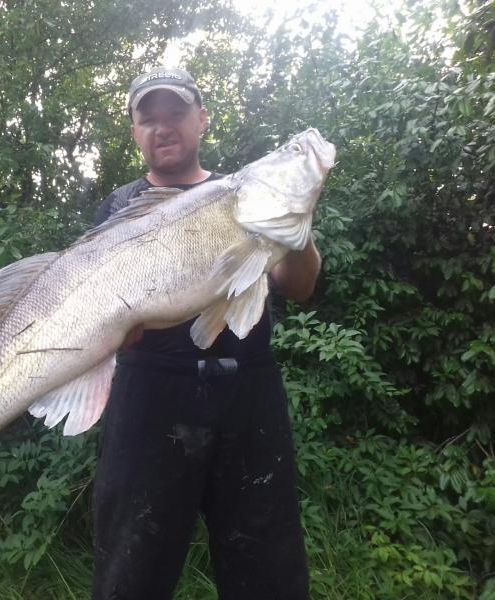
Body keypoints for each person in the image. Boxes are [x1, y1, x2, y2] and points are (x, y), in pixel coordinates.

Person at [90, 67, 321, 600]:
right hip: (149, 397)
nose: (163, 127)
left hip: (248, 395)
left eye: (175, 114)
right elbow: (98, 311)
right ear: (135, 132)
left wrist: (299, 224)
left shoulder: (249, 194)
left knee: (268, 569)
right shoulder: (119, 207)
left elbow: (299, 285)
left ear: (202, 120)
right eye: (149, 119)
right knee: (130, 570)